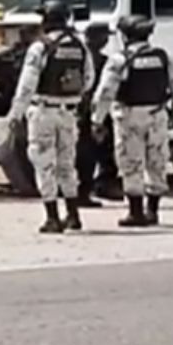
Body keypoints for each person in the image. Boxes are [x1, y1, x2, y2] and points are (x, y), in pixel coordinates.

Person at [90, 15, 173, 227]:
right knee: (157, 161)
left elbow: (105, 93)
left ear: (125, 36)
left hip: (129, 117)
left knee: (131, 162)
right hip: (157, 115)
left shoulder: (119, 60)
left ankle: (136, 213)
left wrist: (97, 120)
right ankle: (152, 211)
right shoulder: (164, 57)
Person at [8, 0, 94, 233]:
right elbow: (88, 80)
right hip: (69, 113)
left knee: (44, 164)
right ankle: (73, 215)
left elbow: (27, 85)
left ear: (47, 20)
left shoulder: (40, 47)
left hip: (43, 112)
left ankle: (52, 218)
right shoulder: (80, 46)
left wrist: (15, 114)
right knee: (67, 164)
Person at [75, 21, 118, 206]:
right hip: (93, 111)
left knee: (88, 151)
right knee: (95, 152)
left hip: (80, 110)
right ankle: (94, 188)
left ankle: (91, 188)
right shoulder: (100, 60)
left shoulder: (80, 57)